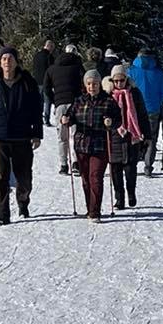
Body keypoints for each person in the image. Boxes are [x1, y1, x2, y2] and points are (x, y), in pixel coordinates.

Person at [0, 45, 43, 222]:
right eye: (4, 58)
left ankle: (23, 203)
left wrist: (37, 133)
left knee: (24, 178)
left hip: (22, 136)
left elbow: (36, 110)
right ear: (0, 62)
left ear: (16, 61)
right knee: (1, 177)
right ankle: (3, 214)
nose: (7, 61)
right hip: (0, 136)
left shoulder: (28, 82)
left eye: (10, 58)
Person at [62, 68, 116, 219]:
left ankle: (95, 211)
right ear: (85, 85)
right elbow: (70, 116)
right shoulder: (79, 101)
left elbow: (118, 119)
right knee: (86, 179)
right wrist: (65, 120)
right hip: (82, 145)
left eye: (95, 83)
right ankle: (90, 208)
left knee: (95, 177)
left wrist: (111, 122)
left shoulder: (108, 101)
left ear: (100, 84)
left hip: (100, 145)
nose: (92, 86)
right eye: (89, 83)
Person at [106, 65, 148, 210]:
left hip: (132, 135)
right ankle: (119, 198)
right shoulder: (108, 95)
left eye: (122, 80)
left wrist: (147, 134)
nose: (119, 84)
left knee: (130, 168)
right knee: (115, 169)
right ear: (112, 81)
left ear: (126, 79)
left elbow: (142, 114)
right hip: (114, 135)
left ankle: (131, 192)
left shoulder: (135, 93)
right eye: (116, 81)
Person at [46, 41, 86, 170]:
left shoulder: (52, 68)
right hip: (76, 103)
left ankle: (63, 164)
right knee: (76, 134)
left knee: (62, 136)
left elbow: (46, 88)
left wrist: (54, 100)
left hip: (60, 103)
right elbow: (85, 82)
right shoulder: (78, 66)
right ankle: (75, 162)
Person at [129, 48, 163, 175]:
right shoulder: (159, 72)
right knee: (151, 138)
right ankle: (148, 166)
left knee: (135, 135)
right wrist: (158, 101)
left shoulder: (132, 71)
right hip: (153, 108)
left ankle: (133, 163)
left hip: (135, 108)